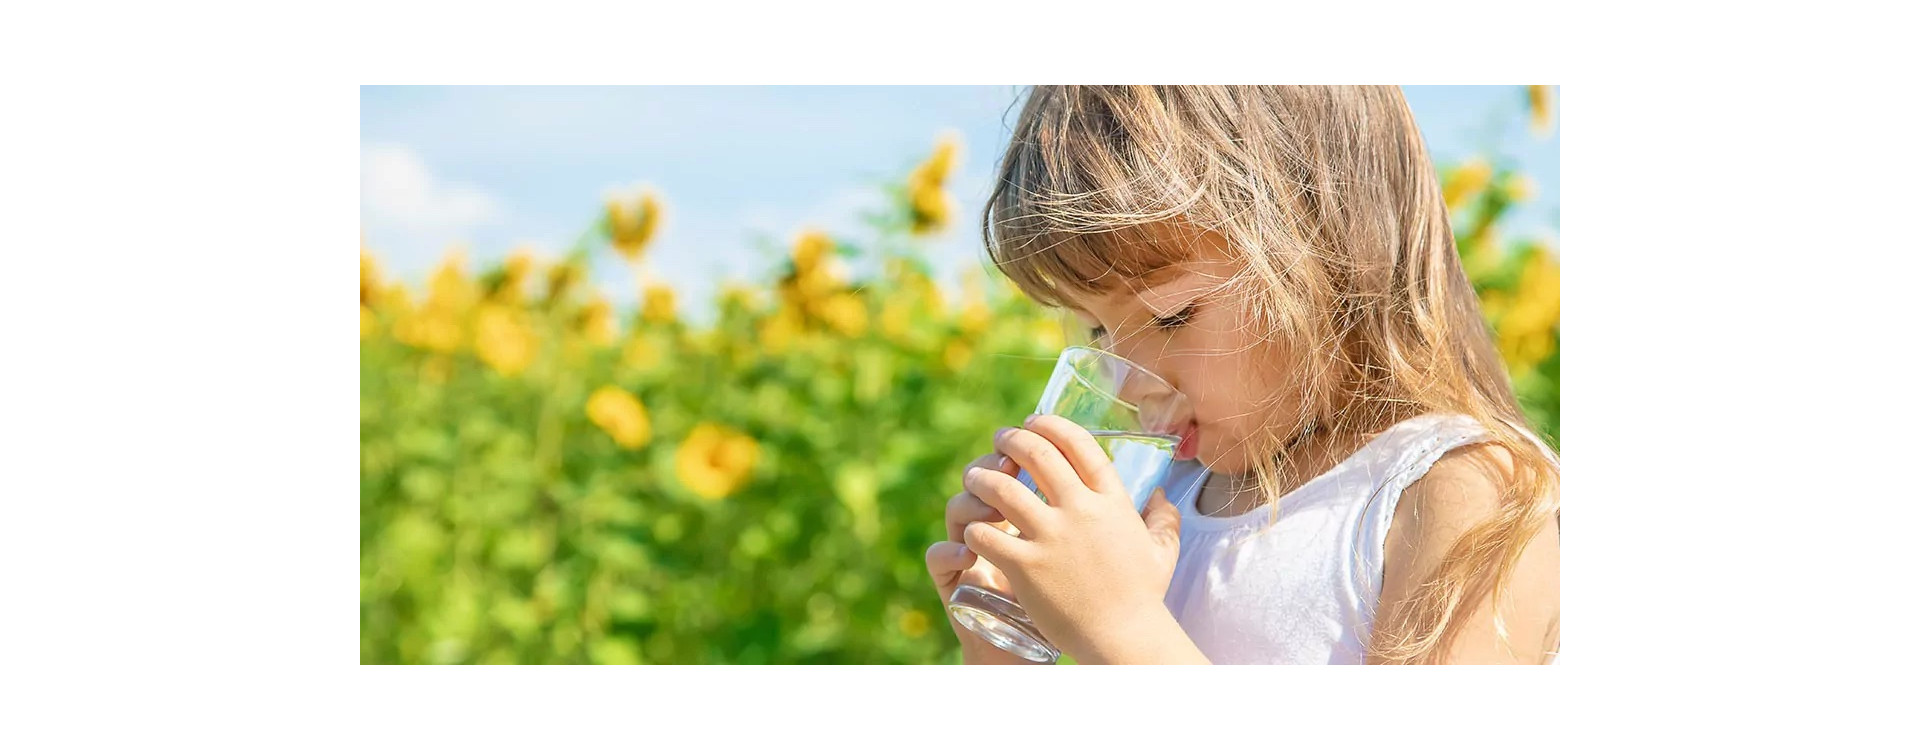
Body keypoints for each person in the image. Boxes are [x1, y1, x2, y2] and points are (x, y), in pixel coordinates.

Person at [925, 86, 1559, 665]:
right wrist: (1006, 654)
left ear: (1330, 250)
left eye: (1171, 316)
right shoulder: (1157, 504)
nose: (1125, 379)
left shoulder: (1458, 493)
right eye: (1096, 331)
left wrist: (1119, 627)